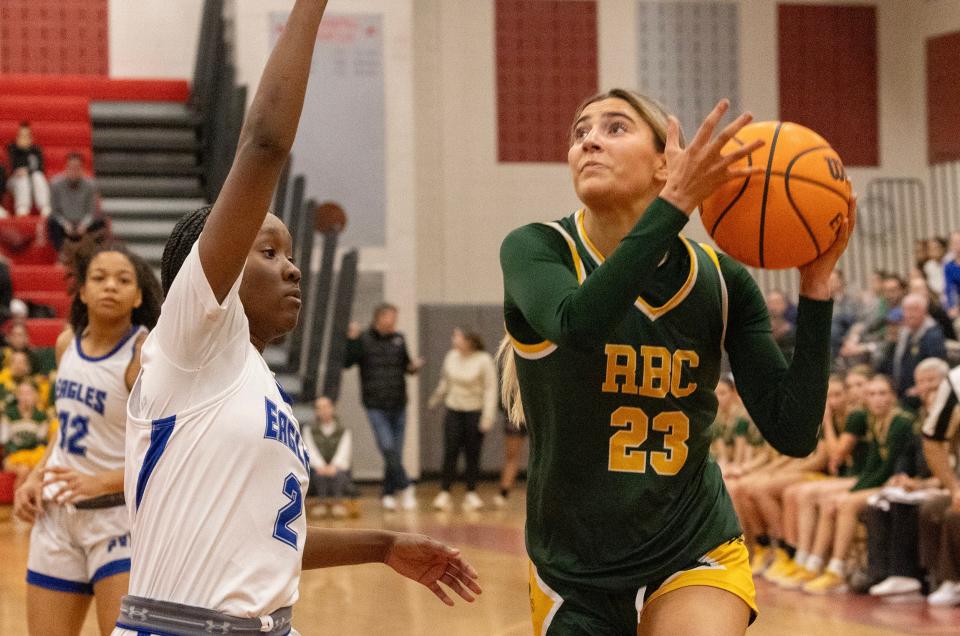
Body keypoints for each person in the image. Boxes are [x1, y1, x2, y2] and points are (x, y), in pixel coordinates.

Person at [114, 4, 480, 635]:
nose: (292, 268)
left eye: (290, 254)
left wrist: (383, 544)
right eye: (268, 251)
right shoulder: (195, 342)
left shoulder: (256, 382)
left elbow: (266, 540)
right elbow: (265, 145)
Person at [498, 90, 854, 634]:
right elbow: (579, 325)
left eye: (615, 127)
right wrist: (675, 206)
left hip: (695, 546)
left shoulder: (722, 282)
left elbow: (794, 430)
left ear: (667, 161)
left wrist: (816, 292)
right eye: (579, 132)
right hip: (576, 568)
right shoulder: (538, 249)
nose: (589, 140)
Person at [12, 245, 162, 636]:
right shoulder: (66, 345)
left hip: (117, 522)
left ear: (139, 295)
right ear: (81, 291)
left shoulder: (144, 356)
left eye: (123, 280)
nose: (110, 286)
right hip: (58, 519)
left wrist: (103, 480)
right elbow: (66, 426)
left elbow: (170, 450)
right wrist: (36, 475)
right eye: (99, 278)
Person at [799, 375, 915, 595]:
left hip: (899, 483)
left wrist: (852, 493)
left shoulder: (901, 421)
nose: (877, 399)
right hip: (880, 480)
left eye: (882, 393)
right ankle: (813, 563)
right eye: (872, 394)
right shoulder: (875, 420)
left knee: (847, 503)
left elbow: (886, 470)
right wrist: (853, 491)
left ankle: (837, 569)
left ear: (893, 396)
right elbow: (872, 467)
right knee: (832, 500)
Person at [345, 304, 424, 511]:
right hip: (375, 405)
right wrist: (351, 340)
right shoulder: (363, 339)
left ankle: (388, 493)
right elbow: (347, 362)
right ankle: (406, 485)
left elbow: (406, 366)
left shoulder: (399, 338)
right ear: (380, 317)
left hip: (399, 403)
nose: (395, 322)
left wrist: (413, 367)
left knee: (395, 453)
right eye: (392, 318)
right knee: (387, 447)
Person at [428, 328, 498, 512]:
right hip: (454, 410)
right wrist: (435, 400)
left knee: (472, 453)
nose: (454, 340)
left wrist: (488, 416)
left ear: (469, 340)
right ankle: (444, 492)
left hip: (474, 412)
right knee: (450, 451)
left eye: (458, 336)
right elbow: (445, 382)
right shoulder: (451, 356)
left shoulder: (483, 359)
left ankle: (471, 492)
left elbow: (490, 389)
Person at [918, 361, 960, 605]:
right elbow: (931, 439)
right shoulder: (955, 382)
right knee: (931, 508)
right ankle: (941, 579)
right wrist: (955, 488)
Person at [877, 292, 946, 399]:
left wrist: (919, 388)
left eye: (914, 309)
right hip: (898, 392)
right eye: (906, 310)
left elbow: (936, 370)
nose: (909, 314)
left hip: (919, 395)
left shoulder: (933, 336)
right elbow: (888, 362)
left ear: (925, 311)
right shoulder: (904, 333)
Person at [302, 396, 359, 519]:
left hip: (337, 467)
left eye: (326, 407)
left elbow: (344, 452)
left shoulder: (343, 429)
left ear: (332, 408)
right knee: (317, 475)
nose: (323, 410)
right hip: (317, 468)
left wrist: (333, 466)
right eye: (319, 408)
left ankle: (338, 503)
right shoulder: (309, 429)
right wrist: (321, 466)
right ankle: (320, 503)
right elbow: (310, 450)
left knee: (339, 474)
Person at [47, 152, 106, 252]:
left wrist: (84, 224)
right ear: (66, 168)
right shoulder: (55, 184)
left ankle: (93, 255)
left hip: (83, 223)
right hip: (64, 223)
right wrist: (65, 224)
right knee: (52, 222)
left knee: (100, 222)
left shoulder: (91, 185)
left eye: (77, 168)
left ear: (82, 169)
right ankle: (62, 254)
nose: (73, 171)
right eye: (71, 168)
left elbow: (91, 211)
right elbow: (55, 212)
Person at [1, 380, 51, 487]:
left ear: (36, 396)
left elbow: (40, 441)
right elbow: (4, 441)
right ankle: (19, 501)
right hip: (13, 457)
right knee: (24, 470)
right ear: (17, 396)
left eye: (28, 393)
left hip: (33, 457)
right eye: (21, 393)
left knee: (38, 470)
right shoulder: (9, 414)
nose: (25, 397)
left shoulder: (41, 416)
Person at [6, 122, 51, 217]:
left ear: (31, 137)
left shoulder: (36, 150)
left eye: (27, 136)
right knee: (22, 178)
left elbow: (40, 168)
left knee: (37, 176)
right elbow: (12, 168)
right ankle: (22, 209)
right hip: (14, 181)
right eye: (21, 135)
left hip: (32, 181)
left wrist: (28, 170)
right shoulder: (12, 148)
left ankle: (45, 207)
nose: (24, 138)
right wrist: (21, 150)